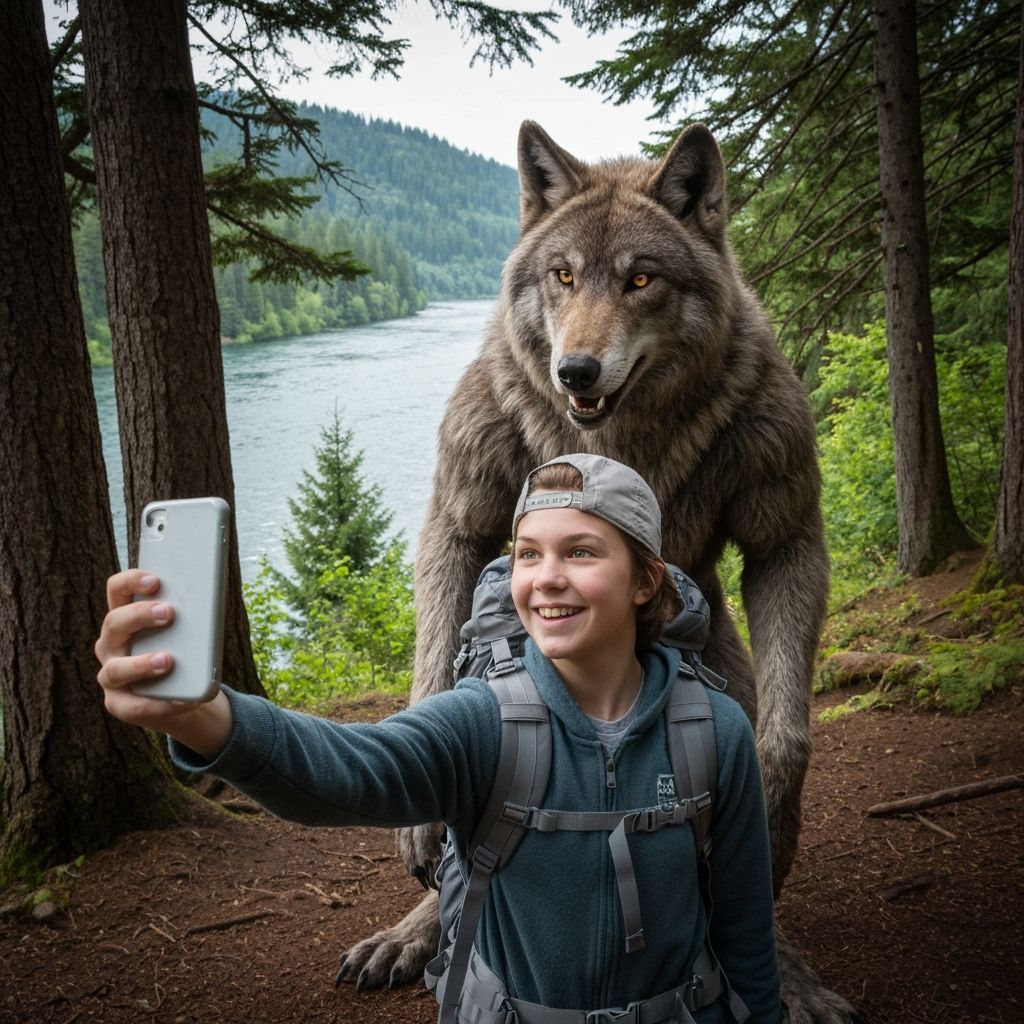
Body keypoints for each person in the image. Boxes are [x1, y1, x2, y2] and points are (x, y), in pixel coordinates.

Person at [95, 453, 781, 1023]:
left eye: (581, 552)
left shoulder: (712, 730)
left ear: (645, 580)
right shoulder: (483, 721)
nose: (546, 578)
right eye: (527, 554)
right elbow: (355, 771)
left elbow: (745, 934)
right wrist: (204, 716)